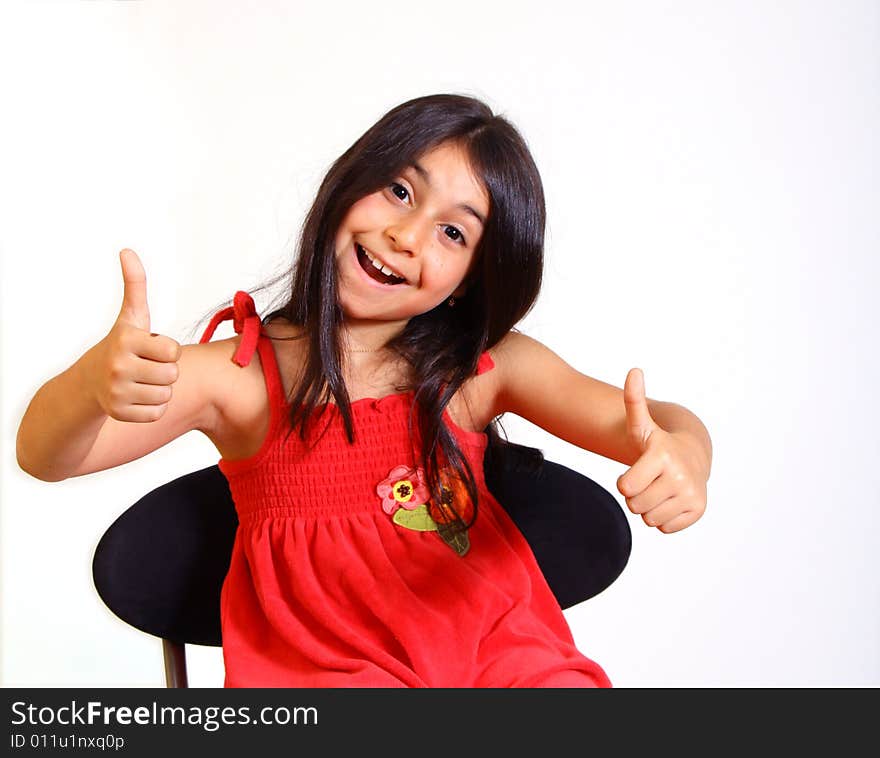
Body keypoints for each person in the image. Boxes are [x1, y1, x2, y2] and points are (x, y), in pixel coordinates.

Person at [16, 93, 712, 688]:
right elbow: (46, 456)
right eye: (400, 191)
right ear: (351, 182)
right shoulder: (240, 380)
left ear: (471, 277)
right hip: (329, 675)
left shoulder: (481, 371)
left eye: (451, 231)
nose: (406, 235)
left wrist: (683, 453)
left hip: (502, 662)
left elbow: (652, 426)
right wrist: (90, 385)